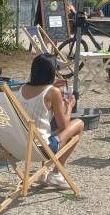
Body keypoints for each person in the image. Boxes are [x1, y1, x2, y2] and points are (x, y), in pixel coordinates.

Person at [17, 53, 84, 187]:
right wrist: (69, 106)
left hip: (20, 145)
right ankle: (57, 173)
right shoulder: (53, 92)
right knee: (79, 124)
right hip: (42, 148)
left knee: (47, 129)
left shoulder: (22, 88)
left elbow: (38, 93)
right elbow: (63, 125)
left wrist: (51, 85)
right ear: (51, 71)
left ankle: (45, 173)